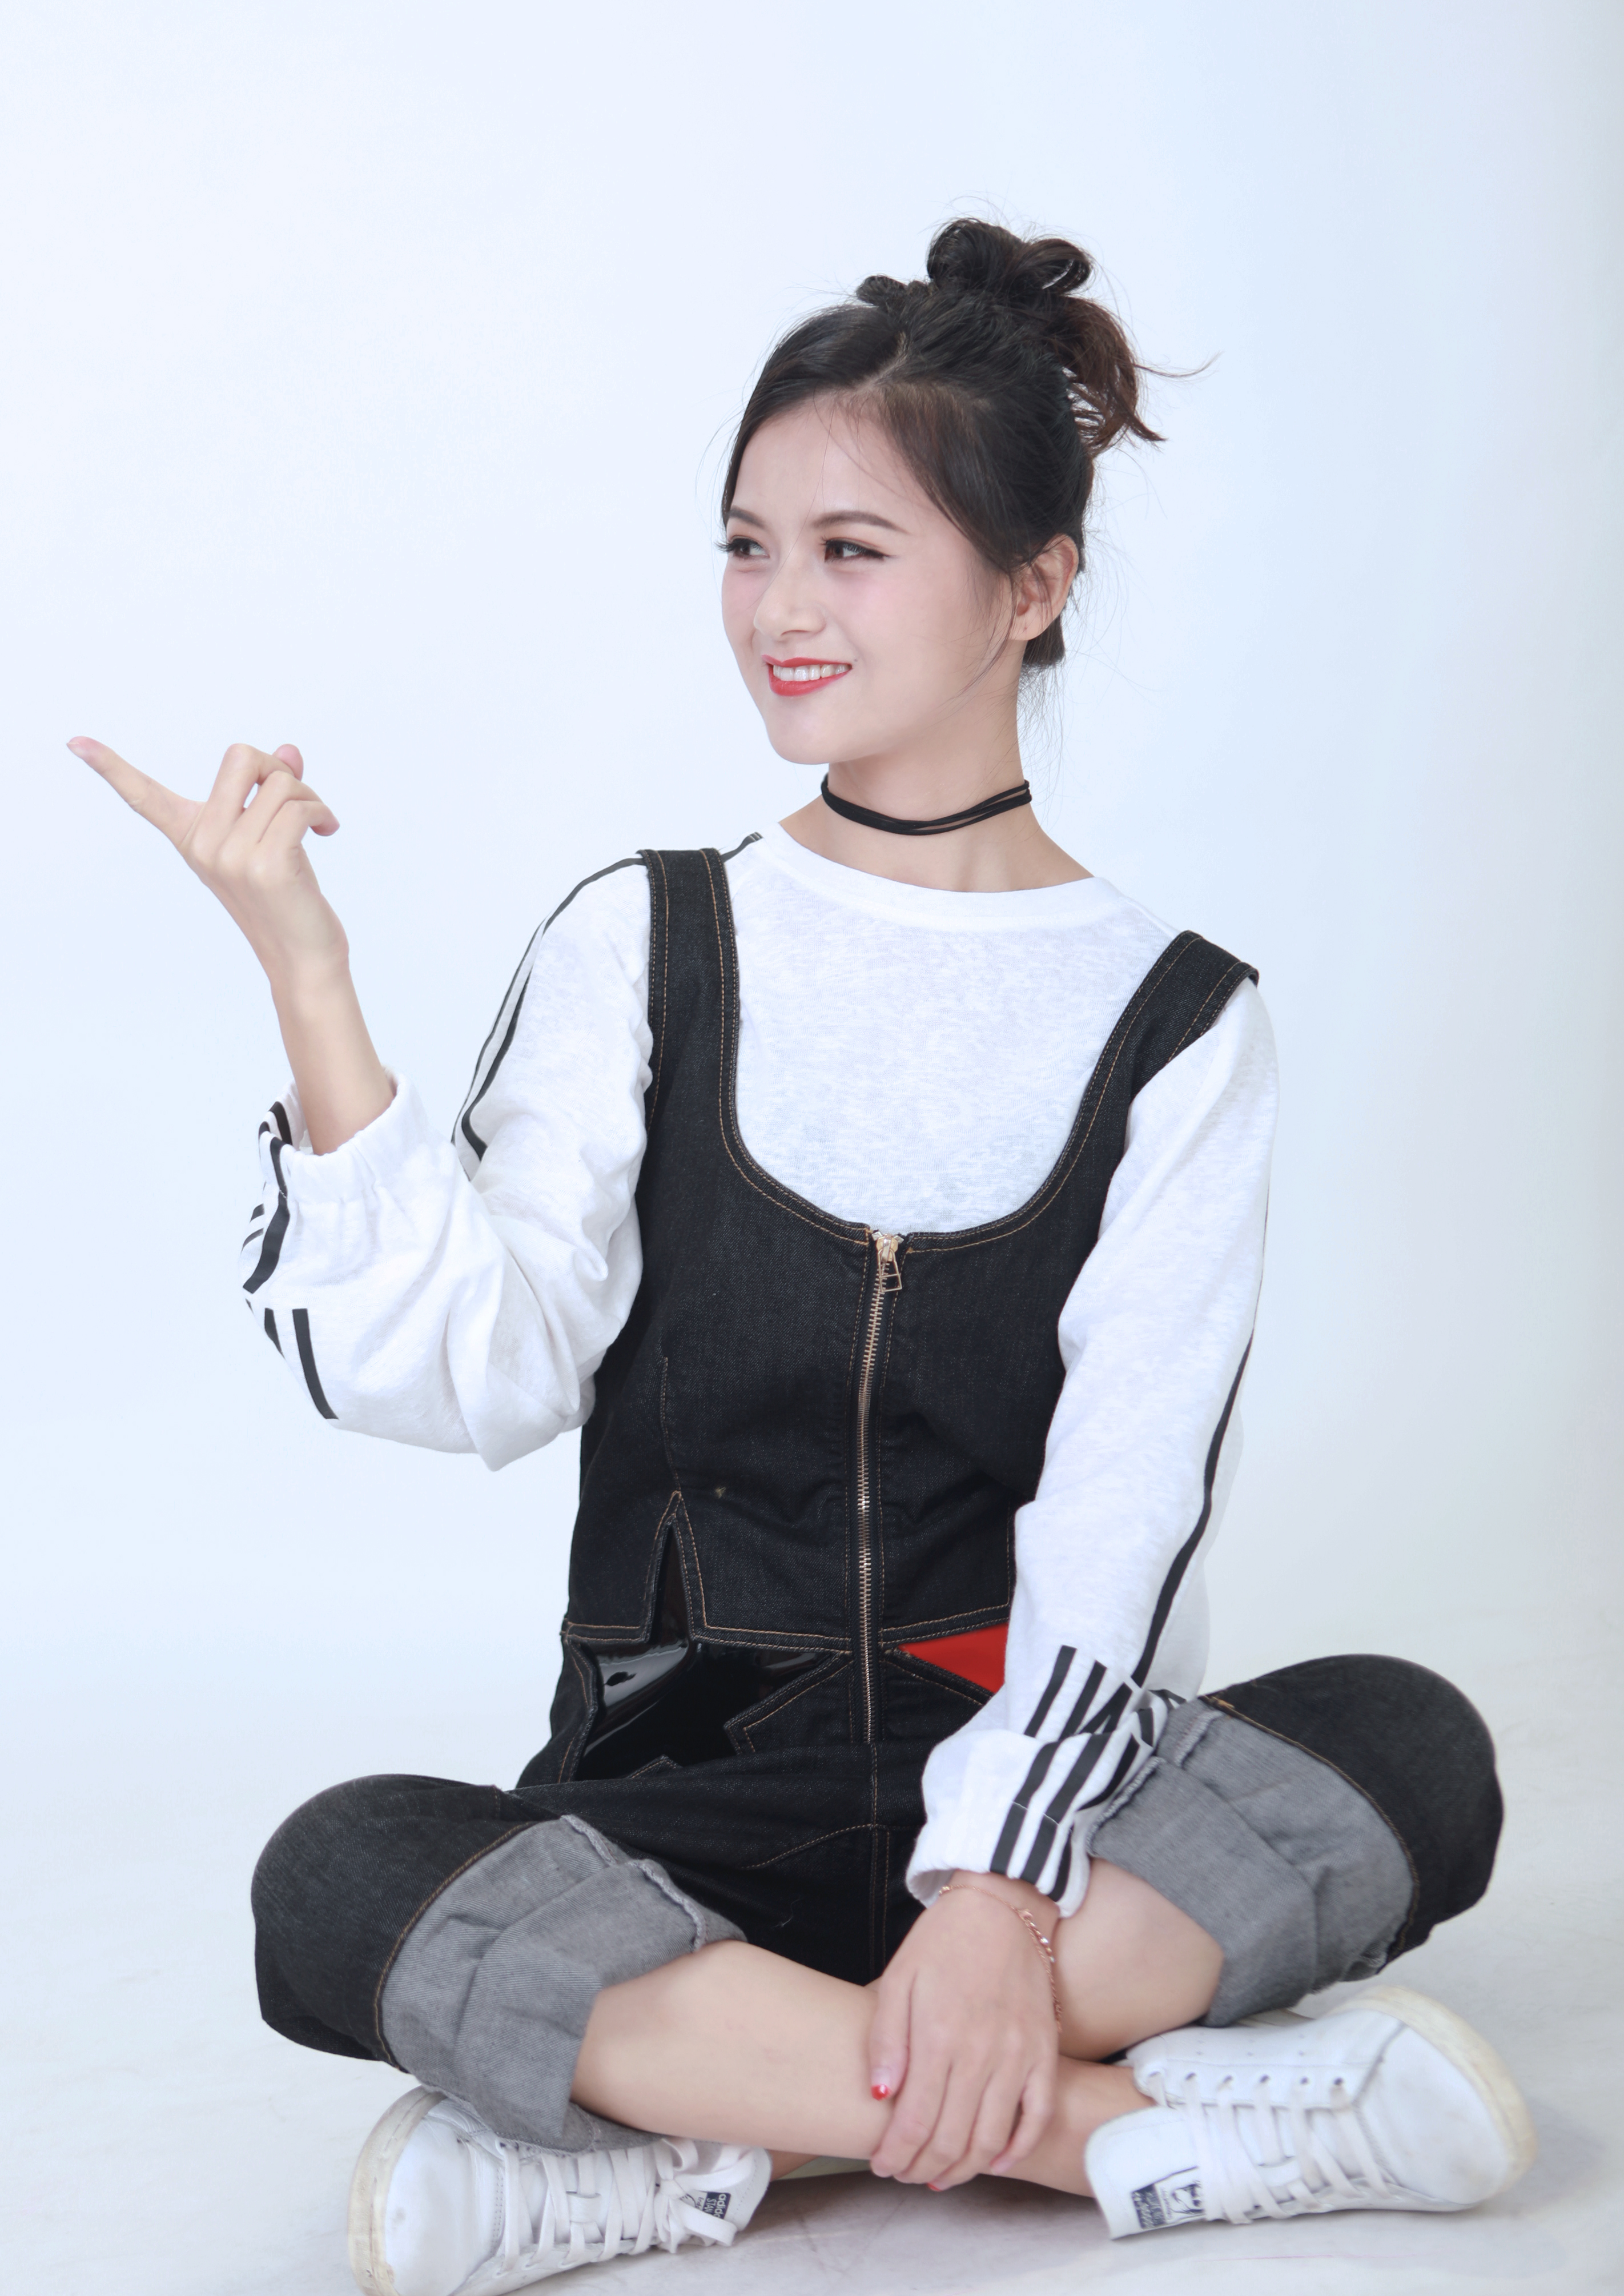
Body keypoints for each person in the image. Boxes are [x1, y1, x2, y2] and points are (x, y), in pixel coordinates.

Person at [74, 220, 1533, 2295]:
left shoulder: (1181, 1021)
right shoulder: (648, 936)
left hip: (1047, 1832)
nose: (777, 609)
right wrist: (308, 971)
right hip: (681, 1832)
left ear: (1030, 586)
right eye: (746, 547)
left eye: (850, 550)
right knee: (338, 1874)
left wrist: (993, 1895)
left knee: (1409, 1740)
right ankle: (1108, 2129)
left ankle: (681, 2138)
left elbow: (1123, 1506)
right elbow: (474, 1368)